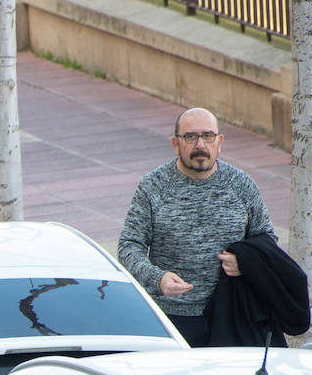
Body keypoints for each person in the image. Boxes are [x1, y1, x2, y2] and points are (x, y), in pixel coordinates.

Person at [118, 107, 275, 347]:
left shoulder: (242, 184)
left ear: (219, 142)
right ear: (176, 143)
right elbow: (129, 247)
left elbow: (266, 240)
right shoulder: (153, 186)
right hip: (172, 319)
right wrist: (157, 279)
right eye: (190, 137)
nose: (200, 144)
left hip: (232, 312)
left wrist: (246, 261)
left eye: (208, 136)